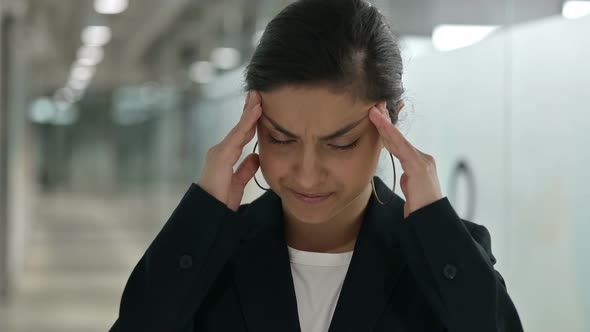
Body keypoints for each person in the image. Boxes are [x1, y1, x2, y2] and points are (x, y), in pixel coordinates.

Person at [109, 0, 523, 331]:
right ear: (251, 121)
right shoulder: (211, 254)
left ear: (389, 128)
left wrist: (435, 224)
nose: (306, 174)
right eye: (280, 138)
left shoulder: (443, 257)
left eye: (340, 144)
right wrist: (201, 215)